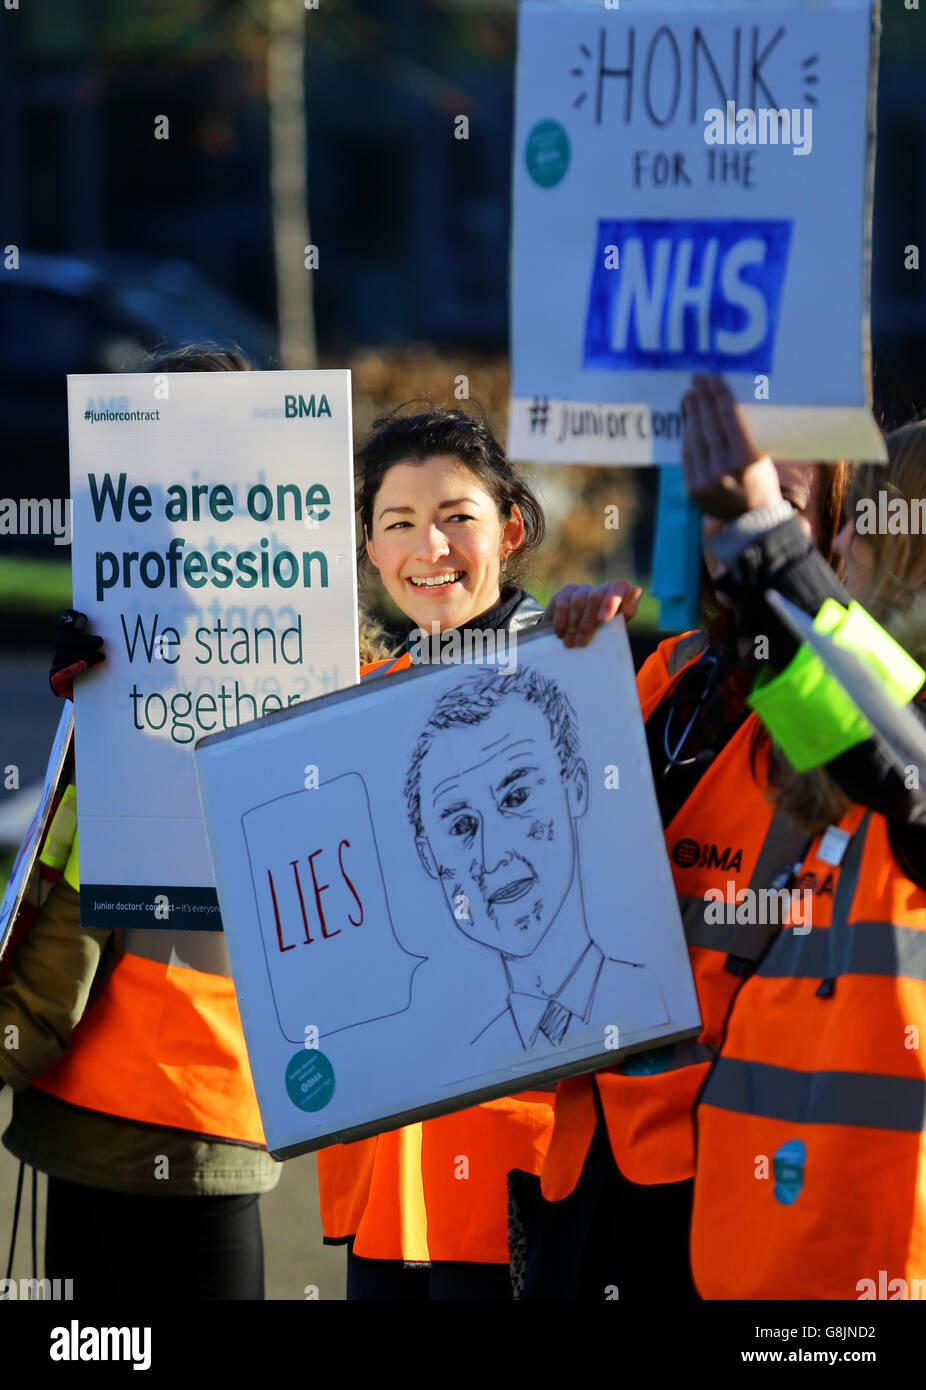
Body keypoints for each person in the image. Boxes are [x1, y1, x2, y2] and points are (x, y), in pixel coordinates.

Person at [523, 374, 853, 1299]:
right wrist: (561, 679)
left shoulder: (841, 713)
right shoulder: (668, 669)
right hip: (588, 1143)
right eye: (719, 503)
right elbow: (554, 852)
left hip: (718, 1161)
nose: (733, 529)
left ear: (827, 534)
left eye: (772, 505)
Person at [315, 404, 643, 1300]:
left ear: (511, 529)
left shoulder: (587, 680)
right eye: (399, 524)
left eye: (458, 517)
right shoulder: (352, 716)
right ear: (372, 553)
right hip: (391, 1188)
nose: (432, 547)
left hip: (523, 1175)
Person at [1, 345, 283, 1302]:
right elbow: (60, 867)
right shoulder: (107, 661)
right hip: (90, 1105)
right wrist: (90, 719)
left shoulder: (307, 655)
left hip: (211, 1109)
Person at [678, 377, 926, 1299]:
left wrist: (773, 546)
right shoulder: (873, 710)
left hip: (878, 1262)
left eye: (871, 519)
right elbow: (810, 681)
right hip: (774, 1257)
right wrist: (747, 552)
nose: (844, 539)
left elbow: (886, 749)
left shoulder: (897, 734)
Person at [405, 663, 666, 1051]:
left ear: (576, 787)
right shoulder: (454, 1059)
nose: (493, 856)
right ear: (428, 857)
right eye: (461, 826)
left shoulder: (663, 997)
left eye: (517, 798)